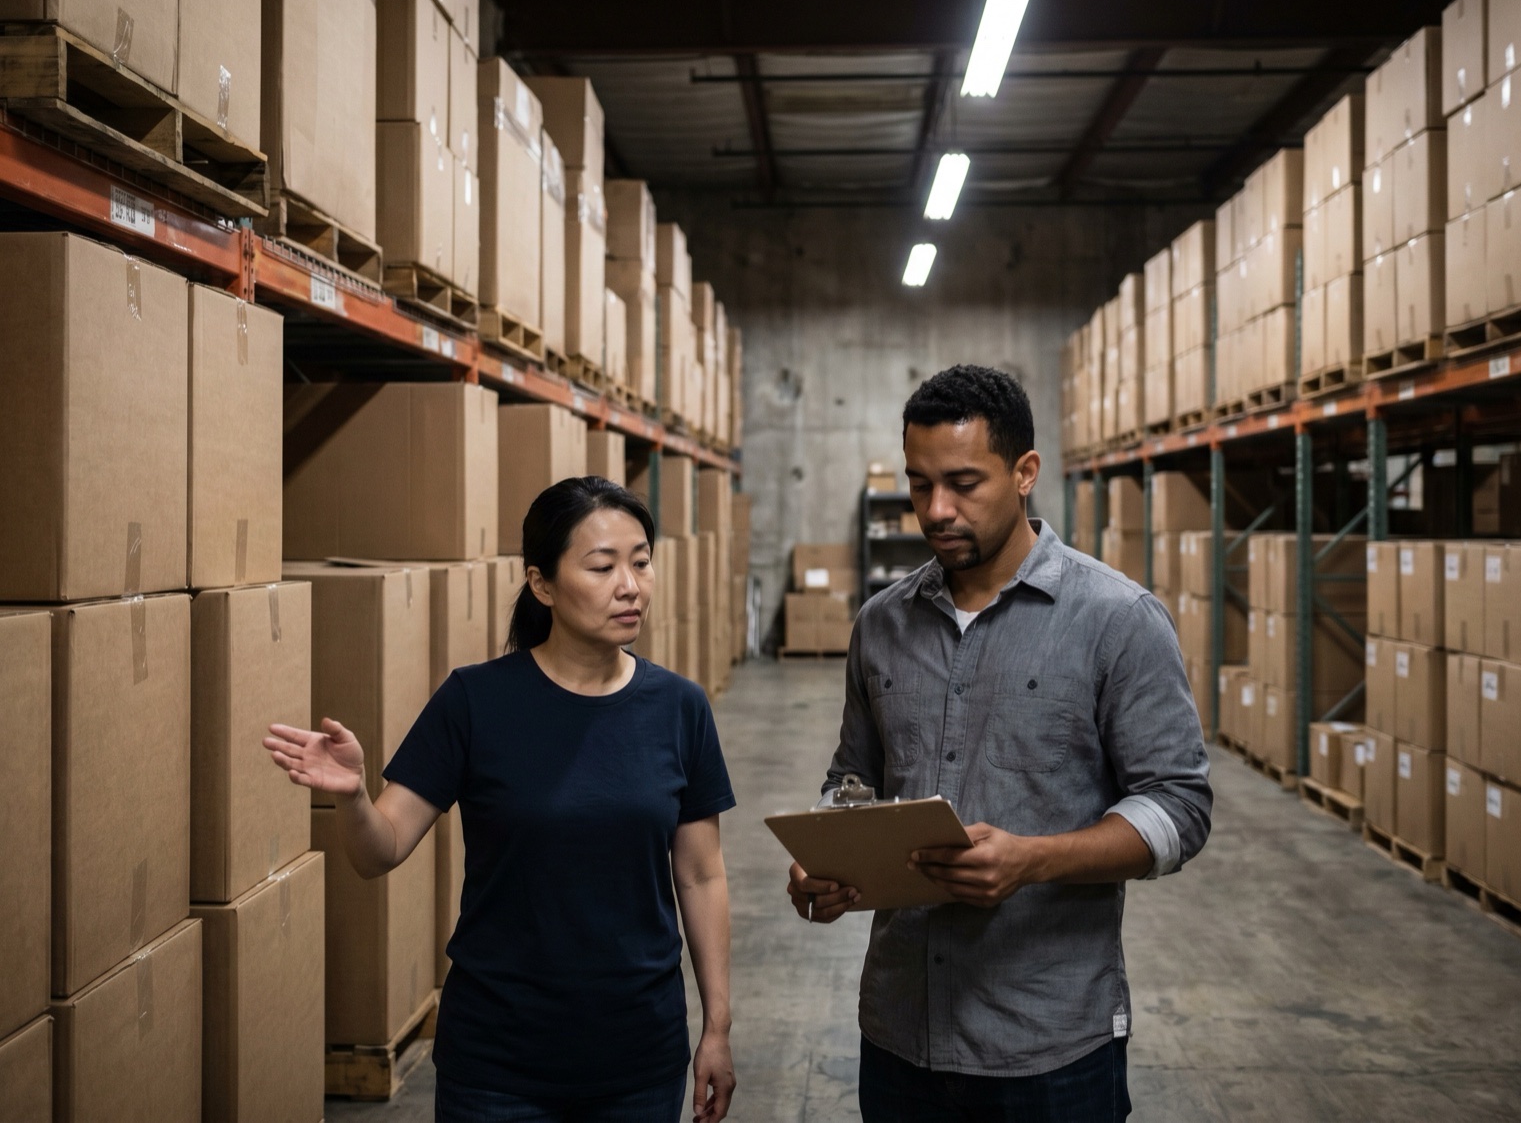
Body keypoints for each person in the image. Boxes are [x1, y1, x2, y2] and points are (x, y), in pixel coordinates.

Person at [786, 365, 1212, 1122]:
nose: (936, 510)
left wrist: (1034, 860)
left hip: (1048, 1046)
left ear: (1024, 473)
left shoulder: (1117, 620)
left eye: (963, 484)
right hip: (900, 1034)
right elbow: (852, 779)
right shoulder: (881, 624)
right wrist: (828, 857)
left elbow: (1179, 808)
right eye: (920, 485)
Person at [265, 477, 737, 1123]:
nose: (630, 586)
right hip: (497, 1062)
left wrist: (717, 1027)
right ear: (542, 584)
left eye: (641, 562)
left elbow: (701, 875)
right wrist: (352, 797)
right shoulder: (475, 701)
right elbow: (380, 851)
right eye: (602, 567)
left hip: (636, 1055)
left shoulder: (680, 708)